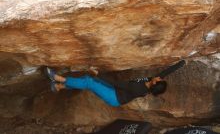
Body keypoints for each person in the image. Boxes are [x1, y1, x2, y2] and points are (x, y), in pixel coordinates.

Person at [46, 60, 186, 107]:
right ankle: (59, 87)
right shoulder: (151, 82)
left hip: (115, 97)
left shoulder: (137, 88)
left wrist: (98, 74)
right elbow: (166, 72)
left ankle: (59, 79)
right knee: (89, 82)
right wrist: (182, 63)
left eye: (159, 80)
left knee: (90, 82)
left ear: (155, 84)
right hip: (117, 93)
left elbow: (115, 83)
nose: (160, 77)